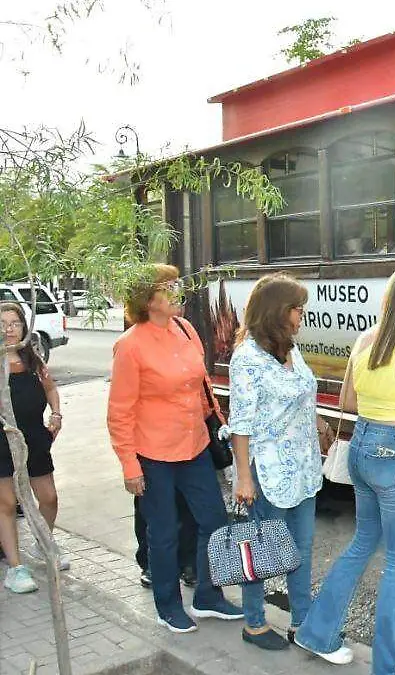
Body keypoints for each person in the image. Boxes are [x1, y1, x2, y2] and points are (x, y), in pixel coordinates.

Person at [296, 264, 395, 675]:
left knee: (363, 542)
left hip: (362, 448)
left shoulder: (366, 340)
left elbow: (348, 401)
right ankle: (392, 659)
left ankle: (317, 631)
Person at [107, 264, 243, 633]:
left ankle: (208, 596)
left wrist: (219, 423)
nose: (177, 290)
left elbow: (201, 387)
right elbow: (119, 412)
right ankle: (168, 606)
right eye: (168, 287)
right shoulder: (131, 345)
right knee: (163, 532)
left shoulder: (186, 329)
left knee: (214, 519)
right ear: (149, 300)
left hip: (195, 444)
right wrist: (129, 465)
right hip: (153, 454)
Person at [227, 273, 331, 650]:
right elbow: (240, 422)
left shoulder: (290, 349)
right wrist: (243, 478)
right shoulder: (248, 358)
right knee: (262, 552)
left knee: (301, 550)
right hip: (267, 472)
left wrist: (317, 422)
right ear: (276, 312)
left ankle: (303, 621)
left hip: (303, 468)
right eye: (296, 308)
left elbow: (302, 392)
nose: (301, 314)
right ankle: (254, 623)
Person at [0, 302, 64, 594]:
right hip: (2, 441)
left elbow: (50, 388)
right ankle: (15, 568)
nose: (8, 329)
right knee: (6, 505)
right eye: (2, 323)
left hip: (35, 439)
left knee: (48, 498)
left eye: (14, 323)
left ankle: (43, 541)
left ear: (24, 327)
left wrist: (56, 413)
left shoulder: (33, 359)